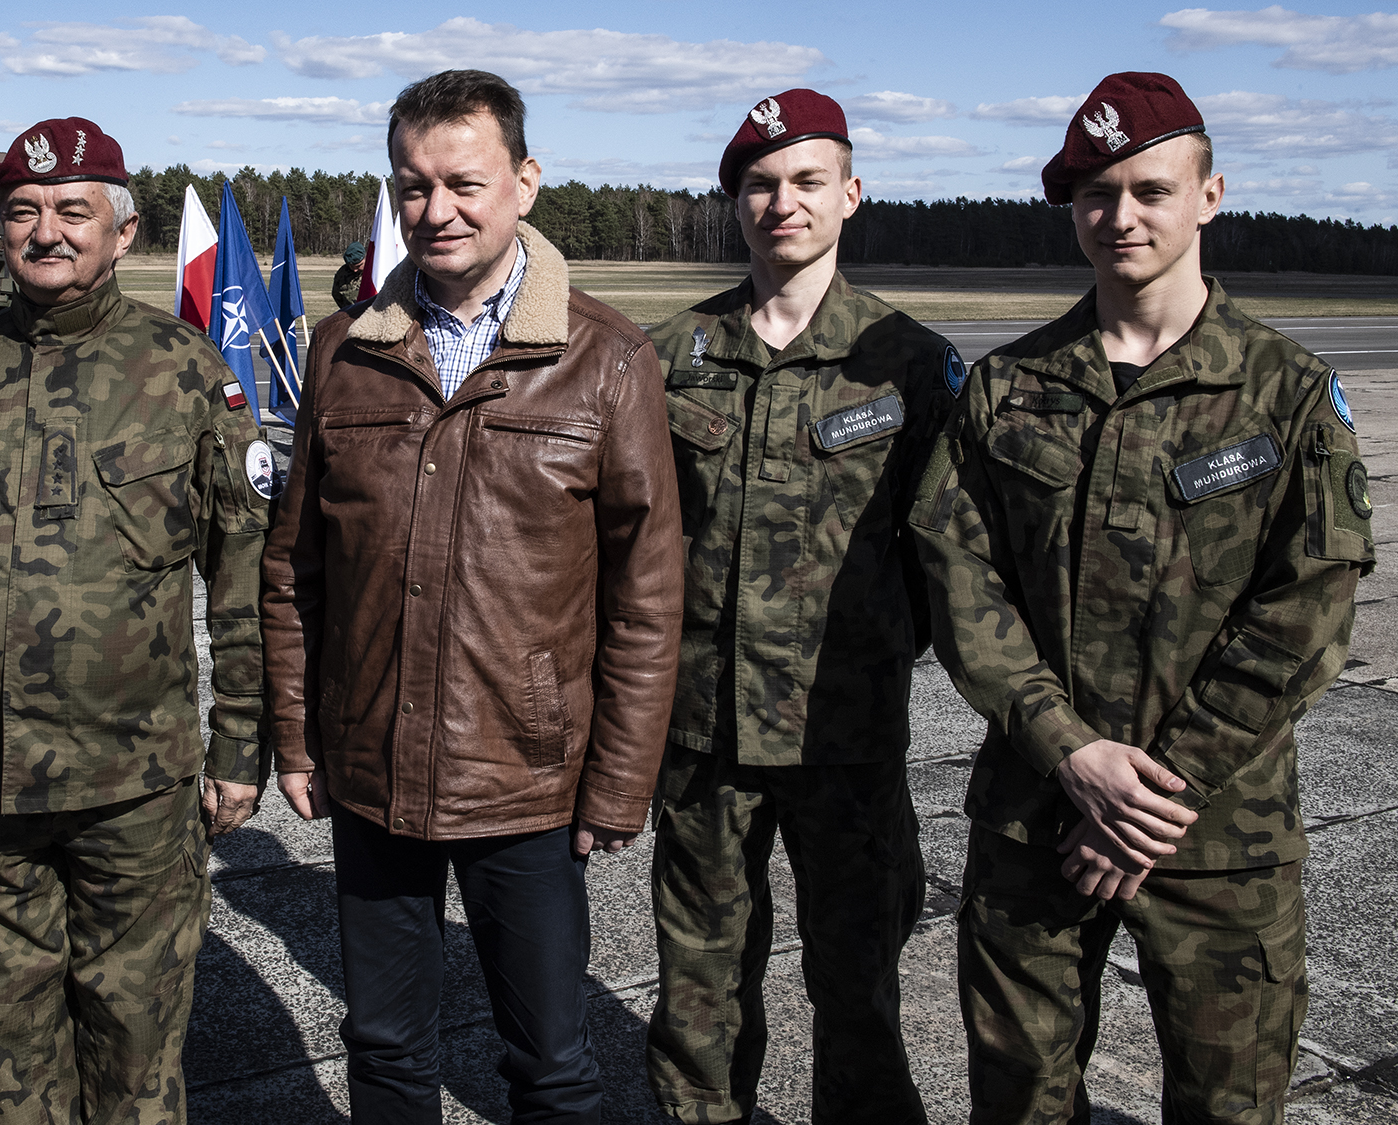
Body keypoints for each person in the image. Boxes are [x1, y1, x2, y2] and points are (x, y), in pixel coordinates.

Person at [912, 72, 1371, 1124]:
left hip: (1215, 840)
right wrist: (1069, 751)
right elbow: (959, 581)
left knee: (1227, 1104)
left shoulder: (1285, 391)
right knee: (1019, 1101)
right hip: (1036, 818)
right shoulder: (1008, 387)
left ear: (1209, 196)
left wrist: (1156, 795)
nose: (1119, 216)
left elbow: (1305, 616)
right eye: (1095, 194)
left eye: (1150, 190)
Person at [261, 69, 683, 1123]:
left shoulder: (607, 359)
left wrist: (618, 781)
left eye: (463, 183)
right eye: (412, 186)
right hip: (372, 773)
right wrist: (299, 739)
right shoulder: (342, 354)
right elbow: (295, 570)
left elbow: (645, 594)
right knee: (385, 1051)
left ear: (524, 183)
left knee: (551, 1065)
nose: (435, 211)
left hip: (527, 782)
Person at [0, 117, 273, 1125]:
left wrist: (239, 744)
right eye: (23, 211)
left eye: (71, 210)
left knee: (136, 1046)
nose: (45, 231)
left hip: (131, 784)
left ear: (122, 232)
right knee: (8, 1053)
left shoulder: (186, 372)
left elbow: (242, 575)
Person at [644, 89, 957, 1125]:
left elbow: (944, 555)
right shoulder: (670, 354)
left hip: (845, 738)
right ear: (735, 202)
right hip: (702, 741)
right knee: (697, 998)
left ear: (850, 194)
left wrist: (874, 650)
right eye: (760, 184)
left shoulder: (909, 363)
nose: (783, 202)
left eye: (807, 180)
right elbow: (634, 543)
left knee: (858, 991)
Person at [332, 241, 367, 309]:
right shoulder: (342, 273)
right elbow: (336, 294)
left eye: (358, 266)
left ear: (365, 258)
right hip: (350, 312)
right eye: (351, 266)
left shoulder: (374, 272)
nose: (355, 270)